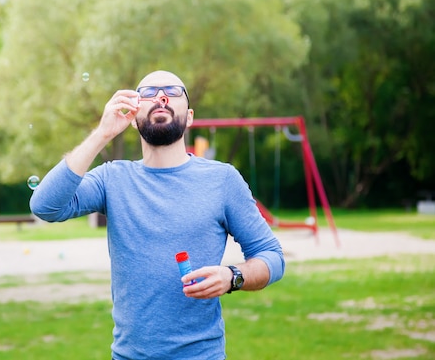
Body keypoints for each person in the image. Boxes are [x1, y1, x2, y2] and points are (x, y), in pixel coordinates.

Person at [29, 70, 285, 360]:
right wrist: (102, 134)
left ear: (189, 117)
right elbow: (45, 206)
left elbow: (271, 256)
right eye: (148, 93)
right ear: (134, 118)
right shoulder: (112, 178)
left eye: (172, 92)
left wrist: (232, 276)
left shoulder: (222, 180)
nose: (161, 97)